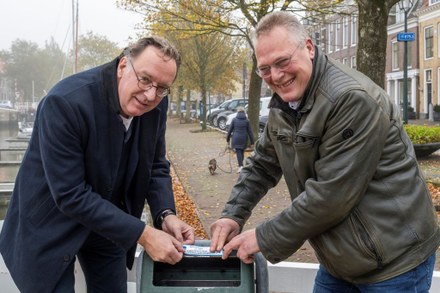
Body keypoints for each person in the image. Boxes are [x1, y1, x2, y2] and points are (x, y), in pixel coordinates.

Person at [210, 11, 440, 292]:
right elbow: (262, 164)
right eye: (265, 68)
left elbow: (331, 196)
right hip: (341, 260)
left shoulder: (351, 100)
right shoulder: (285, 104)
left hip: (394, 262)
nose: (276, 76)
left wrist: (262, 237)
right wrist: (232, 214)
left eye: (282, 62)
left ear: (309, 47)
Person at [0, 36, 195, 293]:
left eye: (162, 88)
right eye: (145, 79)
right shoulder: (64, 103)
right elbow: (70, 194)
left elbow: (155, 164)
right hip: (50, 224)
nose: (150, 95)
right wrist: (144, 235)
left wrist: (165, 214)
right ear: (124, 65)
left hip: (107, 221)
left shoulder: (157, 105)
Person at [226, 107, 254, 173]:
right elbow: (250, 132)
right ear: (244, 112)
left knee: (238, 151)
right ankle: (241, 165)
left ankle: (241, 166)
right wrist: (252, 142)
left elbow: (230, 130)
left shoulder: (234, 120)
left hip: (236, 137)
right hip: (244, 138)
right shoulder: (247, 120)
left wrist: (227, 139)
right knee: (241, 151)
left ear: (238, 112)